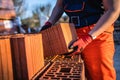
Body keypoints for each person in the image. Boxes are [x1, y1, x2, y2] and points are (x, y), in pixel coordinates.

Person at [40, 0, 120, 80]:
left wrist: (88, 38)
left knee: (101, 75)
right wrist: (49, 23)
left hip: (97, 33)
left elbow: (113, 10)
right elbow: (59, 5)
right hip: (73, 33)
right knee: (79, 74)